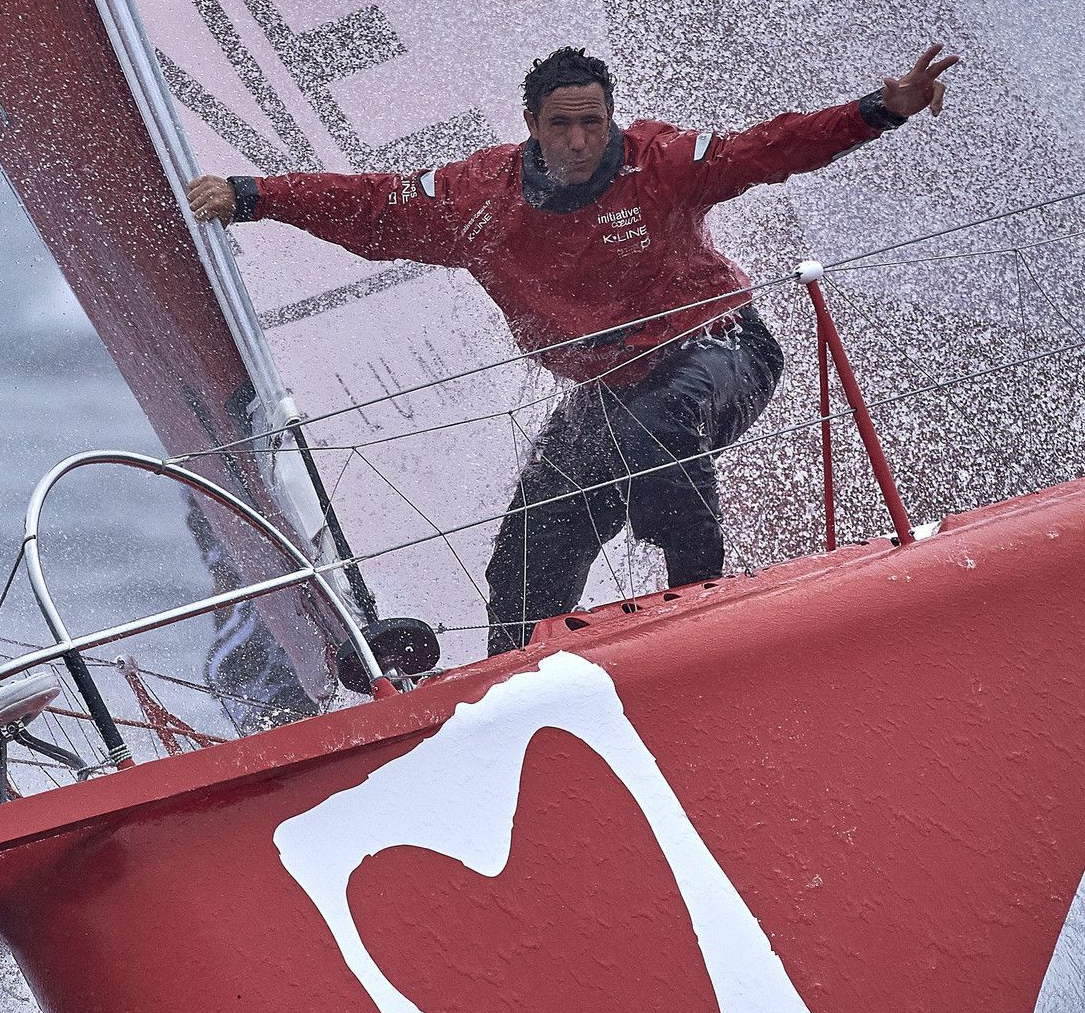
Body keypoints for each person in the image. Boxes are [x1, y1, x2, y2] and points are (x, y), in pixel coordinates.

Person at [186, 42, 957, 652]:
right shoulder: (475, 200)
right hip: (611, 389)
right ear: (531, 124)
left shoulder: (657, 162)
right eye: (563, 125)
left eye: (595, 123)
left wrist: (879, 111)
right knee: (524, 558)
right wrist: (255, 197)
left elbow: (767, 149)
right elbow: (372, 205)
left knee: (649, 431)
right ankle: (508, 688)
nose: (582, 141)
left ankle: (704, 603)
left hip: (723, 350)